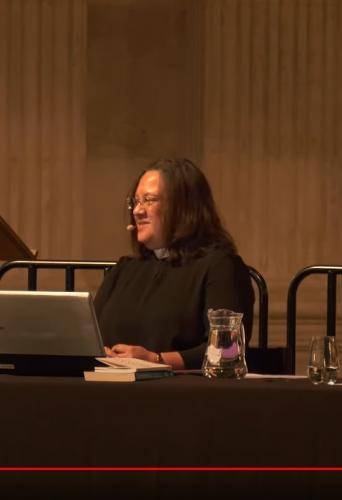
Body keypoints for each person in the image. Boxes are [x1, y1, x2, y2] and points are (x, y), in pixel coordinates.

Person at [94, 158, 254, 369]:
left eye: (149, 200)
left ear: (182, 207)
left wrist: (154, 360)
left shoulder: (219, 266)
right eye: (136, 201)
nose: (137, 211)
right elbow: (90, 334)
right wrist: (96, 351)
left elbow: (228, 349)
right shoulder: (124, 269)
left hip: (180, 393)